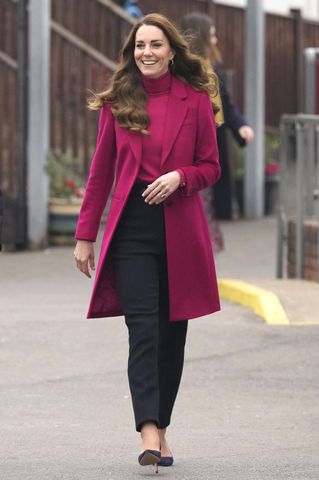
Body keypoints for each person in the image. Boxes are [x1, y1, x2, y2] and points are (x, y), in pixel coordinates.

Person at [73, 13, 221, 471]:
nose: (147, 53)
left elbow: (210, 166)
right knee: (143, 330)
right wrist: (84, 235)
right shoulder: (120, 101)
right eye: (140, 46)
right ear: (132, 53)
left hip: (180, 233)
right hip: (131, 232)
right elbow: (100, 174)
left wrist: (180, 177)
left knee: (172, 335)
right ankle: (149, 430)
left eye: (155, 45)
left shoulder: (194, 100)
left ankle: (163, 426)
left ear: (171, 51)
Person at [181, 12, 254, 220]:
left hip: (213, 134)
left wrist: (241, 126)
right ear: (201, 36)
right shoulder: (178, 70)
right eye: (212, 35)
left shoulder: (211, 70)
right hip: (190, 140)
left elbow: (226, 104)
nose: (215, 40)